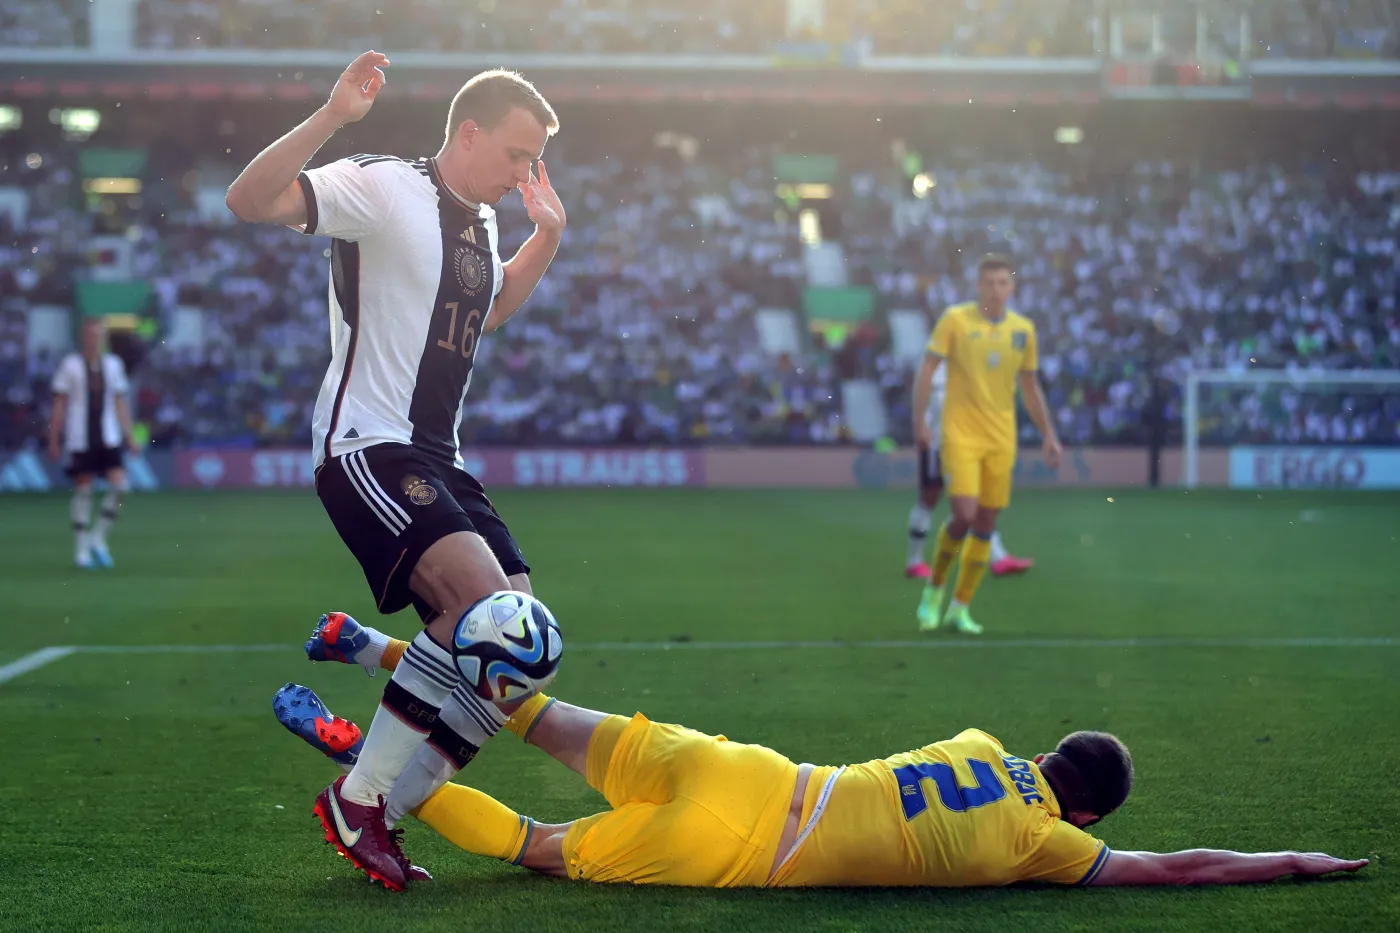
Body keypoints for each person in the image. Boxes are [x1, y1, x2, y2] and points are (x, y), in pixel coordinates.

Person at [225, 51, 568, 890]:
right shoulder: (382, 184)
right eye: (519, 154)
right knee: (484, 610)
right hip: (367, 446)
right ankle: (360, 796)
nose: (526, 172)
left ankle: (389, 799)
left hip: (438, 456)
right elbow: (250, 201)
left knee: (525, 652)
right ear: (470, 131)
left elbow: (481, 313)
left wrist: (547, 237)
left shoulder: (485, 221)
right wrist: (334, 118)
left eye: (536, 161)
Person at [275, 651, 1367, 890]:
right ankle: (365, 768)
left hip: (745, 767)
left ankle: (377, 655)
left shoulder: (981, 744)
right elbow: (1177, 870)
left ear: (1043, 751)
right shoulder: (1049, 842)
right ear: (1080, 805)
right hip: (747, 846)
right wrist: (1298, 861)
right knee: (534, 848)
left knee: (539, 710)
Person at [911, 256, 1062, 635]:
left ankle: (959, 608)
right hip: (960, 433)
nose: (995, 290)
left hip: (1001, 438)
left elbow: (1030, 386)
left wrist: (1048, 433)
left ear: (1012, 288)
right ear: (978, 287)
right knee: (963, 514)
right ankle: (934, 590)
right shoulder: (955, 320)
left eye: (1002, 283)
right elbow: (927, 369)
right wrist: (919, 423)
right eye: (989, 283)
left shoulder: (1023, 330)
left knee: (986, 522)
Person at [906, 357, 1033, 581]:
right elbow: (936, 402)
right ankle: (914, 561)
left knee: (976, 501)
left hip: (966, 446)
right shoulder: (937, 367)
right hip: (938, 443)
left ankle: (998, 557)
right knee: (929, 499)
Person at [47, 319, 138, 569]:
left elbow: (120, 402)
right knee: (84, 490)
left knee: (120, 487)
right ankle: (80, 552)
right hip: (80, 438)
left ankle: (97, 538)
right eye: (89, 334)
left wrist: (129, 435)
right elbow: (59, 404)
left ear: (104, 339)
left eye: (98, 335)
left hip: (108, 436)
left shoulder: (113, 365)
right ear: (82, 337)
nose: (93, 339)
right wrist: (53, 438)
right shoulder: (71, 365)